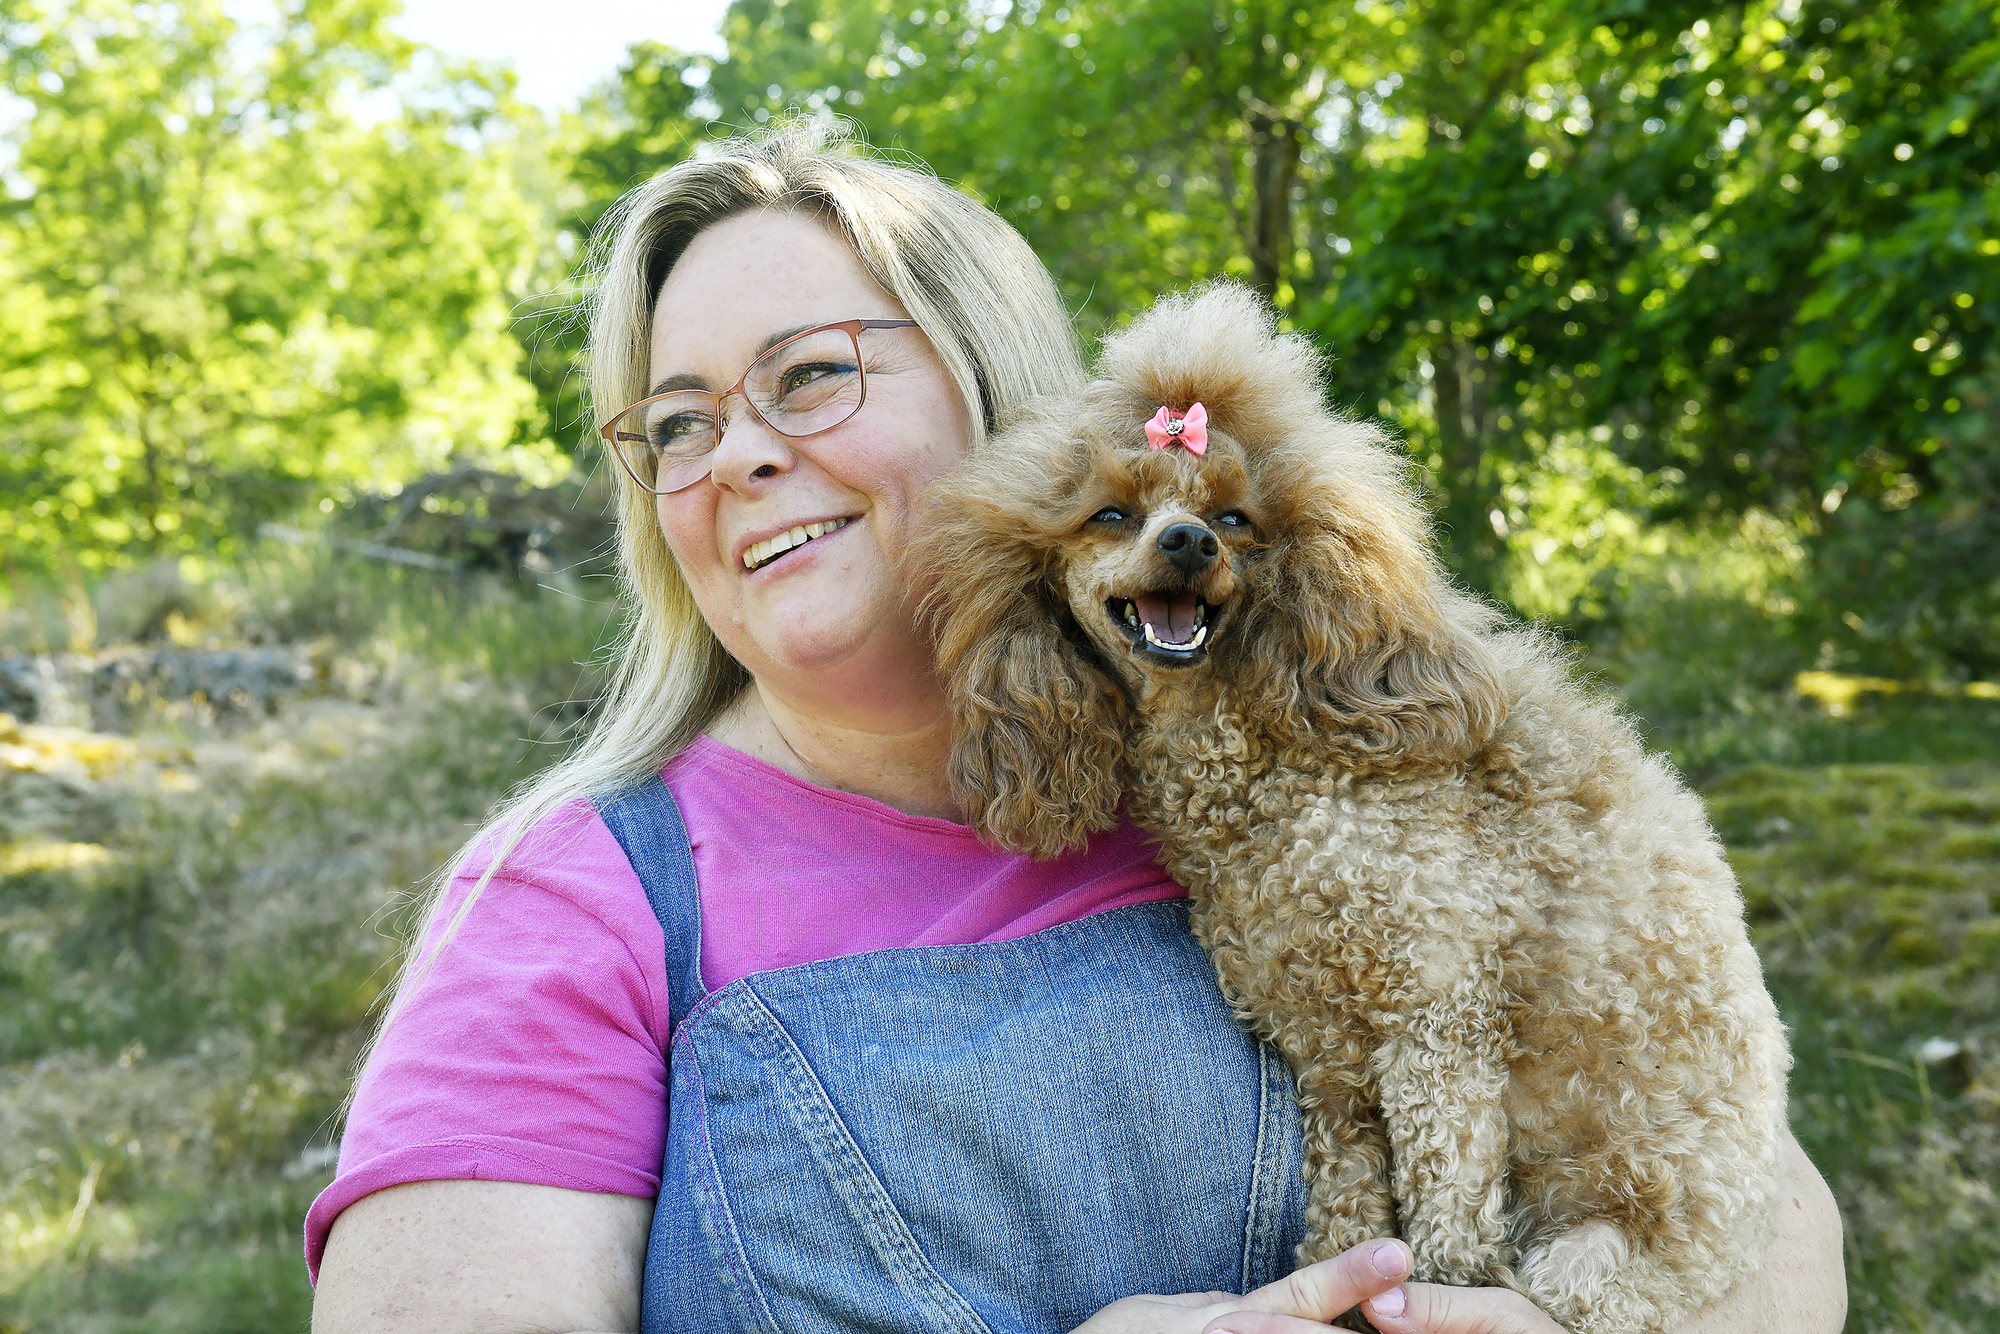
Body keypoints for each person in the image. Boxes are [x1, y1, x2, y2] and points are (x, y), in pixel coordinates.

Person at [308, 122, 1846, 1334]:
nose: (742, 458)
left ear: (1008, 405)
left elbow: (1762, 1187)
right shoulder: (570, 903)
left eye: (811, 377)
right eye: (679, 424)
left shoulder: (1323, 754)